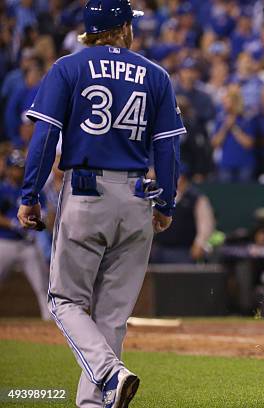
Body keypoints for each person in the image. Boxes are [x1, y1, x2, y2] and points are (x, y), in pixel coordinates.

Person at [16, 1, 184, 407]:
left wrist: (30, 195)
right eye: (130, 23)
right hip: (137, 198)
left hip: (86, 193)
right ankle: (95, 401)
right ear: (122, 27)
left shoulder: (68, 67)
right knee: (111, 316)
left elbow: (42, 142)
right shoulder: (156, 74)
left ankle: (109, 373)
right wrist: (167, 204)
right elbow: (168, 149)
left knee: (65, 301)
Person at [0, 150, 50, 321]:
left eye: (21, 167)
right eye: (15, 167)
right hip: (5, 242)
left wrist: (35, 223)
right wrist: (13, 223)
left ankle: (49, 321)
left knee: (42, 285)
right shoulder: (2, 189)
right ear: (7, 168)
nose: (18, 171)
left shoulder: (33, 189)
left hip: (28, 244)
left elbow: (44, 213)